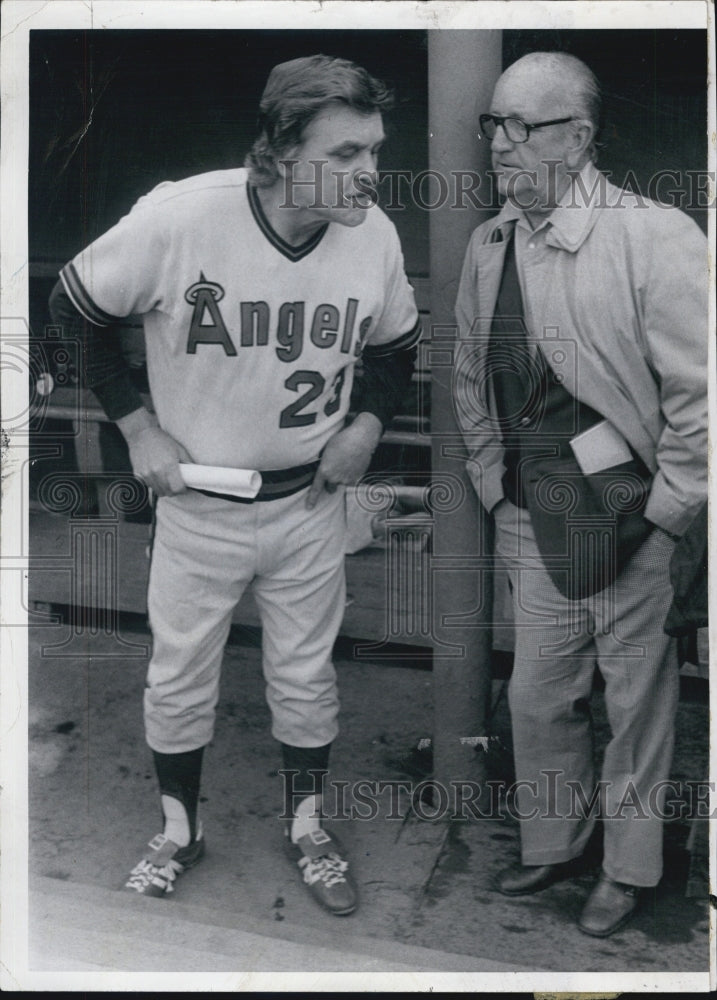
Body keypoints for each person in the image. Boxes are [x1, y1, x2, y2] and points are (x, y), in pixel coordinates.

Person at [49, 54, 420, 917]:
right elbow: (74, 308)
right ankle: (179, 831)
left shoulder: (375, 233)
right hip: (201, 503)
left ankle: (307, 828)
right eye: (346, 153)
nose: (369, 173)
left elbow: (398, 344)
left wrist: (364, 426)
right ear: (281, 152)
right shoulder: (184, 217)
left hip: (309, 504)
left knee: (304, 677)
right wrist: (135, 424)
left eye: (374, 150)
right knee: (178, 679)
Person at [454, 51, 707, 937]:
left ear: (580, 136)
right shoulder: (489, 246)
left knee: (636, 703)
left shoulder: (655, 235)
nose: (501, 146)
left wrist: (671, 516)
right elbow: (468, 378)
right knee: (536, 695)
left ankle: (629, 871)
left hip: (635, 519)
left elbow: (702, 399)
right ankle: (554, 843)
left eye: (524, 128)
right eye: (495, 126)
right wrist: (495, 490)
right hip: (535, 517)